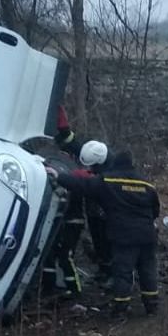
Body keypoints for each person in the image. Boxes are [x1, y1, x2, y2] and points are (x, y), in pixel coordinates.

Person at [50, 150, 161, 317]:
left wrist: (58, 176)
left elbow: (82, 185)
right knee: (148, 269)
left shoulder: (108, 181)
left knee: (123, 271)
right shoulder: (147, 185)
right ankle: (152, 305)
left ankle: (121, 308)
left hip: (124, 236)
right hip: (147, 235)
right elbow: (155, 211)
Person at [54, 108, 113, 282]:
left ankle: (113, 273)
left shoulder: (111, 171)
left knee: (108, 241)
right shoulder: (91, 153)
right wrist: (58, 116)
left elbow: (91, 182)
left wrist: (68, 177)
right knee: (98, 240)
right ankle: (104, 269)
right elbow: (69, 141)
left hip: (108, 212)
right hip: (94, 210)